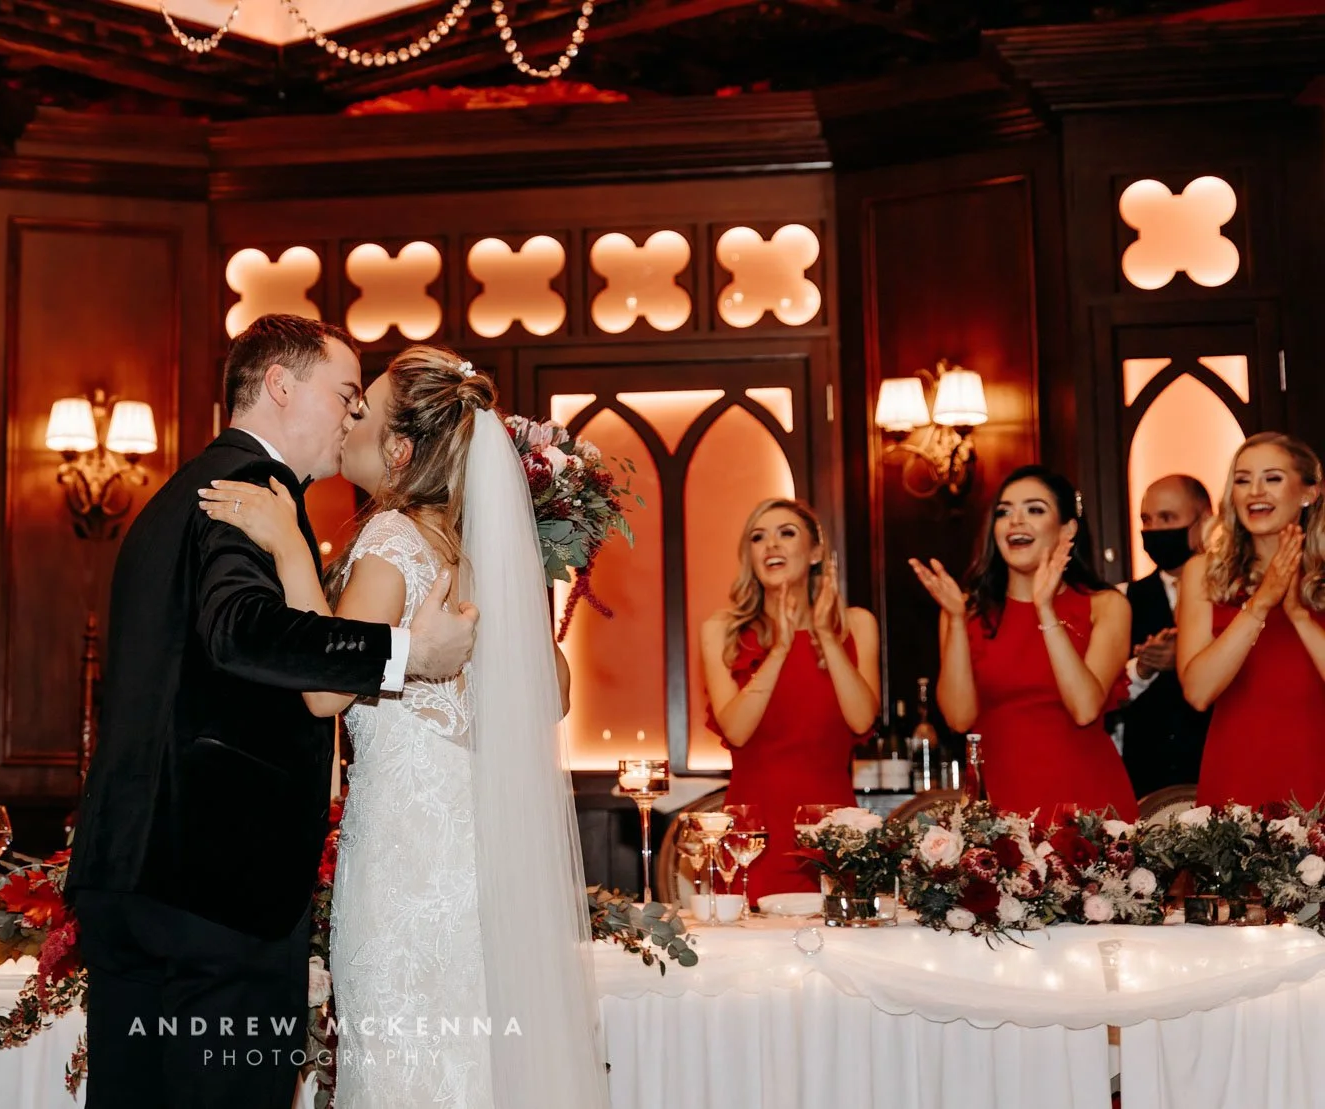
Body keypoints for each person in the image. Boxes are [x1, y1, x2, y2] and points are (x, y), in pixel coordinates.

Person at [66, 317, 480, 1109]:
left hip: (132, 877)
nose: (354, 415)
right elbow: (240, 630)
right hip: (215, 890)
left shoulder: (178, 494)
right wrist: (406, 651)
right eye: (345, 394)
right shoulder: (251, 490)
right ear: (281, 385)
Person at [201, 345, 607, 1108]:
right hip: (476, 858)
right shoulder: (471, 549)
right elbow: (552, 693)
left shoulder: (391, 538)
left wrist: (288, 547)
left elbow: (326, 691)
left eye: (365, 408)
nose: (349, 416)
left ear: (397, 450)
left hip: (404, 868)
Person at [910, 465, 1137, 820]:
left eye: (1034, 509)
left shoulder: (1105, 605)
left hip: (1085, 801)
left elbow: (1084, 708)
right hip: (1000, 804)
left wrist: (1044, 607)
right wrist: (954, 619)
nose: (1016, 521)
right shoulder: (966, 611)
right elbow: (958, 718)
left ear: (1067, 529)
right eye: (1004, 512)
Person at [702, 498, 879, 900]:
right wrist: (780, 649)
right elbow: (737, 730)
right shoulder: (722, 630)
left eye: (786, 533)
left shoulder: (856, 624)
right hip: (754, 837)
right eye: (758, 537)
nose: (771, 545)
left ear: (815, 552)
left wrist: (825, 634)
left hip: (834, 833)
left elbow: (861, 719)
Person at [1177, 433, 1325, 809]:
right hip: (1238, 771)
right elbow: (1198, 692)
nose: (1255, 491)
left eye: (1272, 478)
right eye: (1243, 480)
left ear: (1309, 492)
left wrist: (1298, 616)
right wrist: (1260, 604)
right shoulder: (1203, 573)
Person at [1115, 474, 1215, 797]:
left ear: (1204, 521)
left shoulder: (1236, 594)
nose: (1154, 529)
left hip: (1215, 765)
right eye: (1147, 520)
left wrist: (1189, 656)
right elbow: (1106, 697)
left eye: (1168, 518)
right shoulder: (1122, 598)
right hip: (1147, 780)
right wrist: (1142, 667)